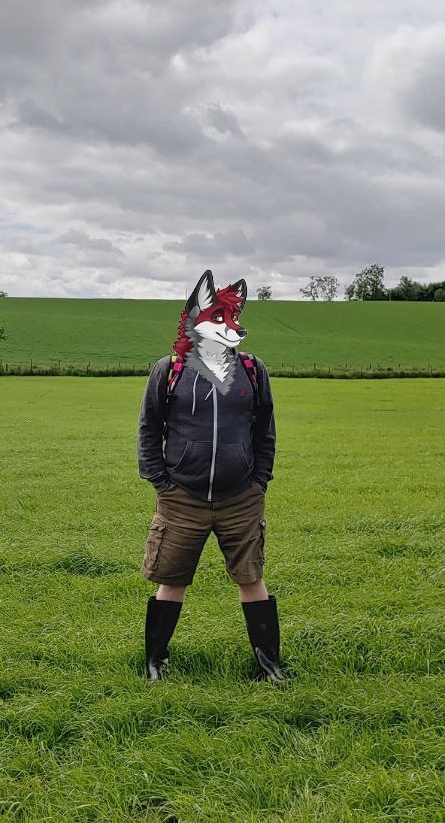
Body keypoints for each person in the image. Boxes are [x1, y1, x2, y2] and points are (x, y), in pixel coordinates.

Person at [136, 269, 285, 684]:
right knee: (172, 581)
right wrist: (161, 482)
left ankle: (270, 667)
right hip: (182, 497)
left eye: (233, 317)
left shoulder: (252, 370)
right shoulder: (169, 370)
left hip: (242, 497)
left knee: (252, 579)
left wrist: (259, 480)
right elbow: (149, 428)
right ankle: (155, 663)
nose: (230, 327)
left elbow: (265, 430)